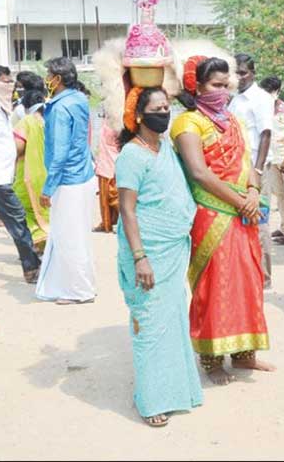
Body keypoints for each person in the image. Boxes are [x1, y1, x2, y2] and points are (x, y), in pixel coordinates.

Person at [171, 56, 274, 385]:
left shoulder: (233, 121)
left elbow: (247, 162)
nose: (223, 90)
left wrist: (254, 191)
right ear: (197, 86)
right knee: (214, 284)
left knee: (247, 281)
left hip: (243, 213)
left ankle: (245, 354)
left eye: (225, 84)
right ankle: (212, 358)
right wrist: (240, 202)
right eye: (215, 85)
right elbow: (199, 172)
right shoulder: (188, 123)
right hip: (211, 214)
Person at [115, 86, 203, 428]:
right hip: (148, 252)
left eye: (168, 107)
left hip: (173, 248)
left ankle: (177, 391)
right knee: (150, 323)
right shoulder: (131, 156)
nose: (165, 113)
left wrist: (179, 92)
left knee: (173, 319)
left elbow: (193, 109)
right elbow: (127, 209)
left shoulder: (166, 146)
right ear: (139, 115)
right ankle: (151, 400)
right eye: (157, 108)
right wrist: (140, 257)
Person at [35, 57, 97, 305]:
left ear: (58, 79)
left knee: (68, 236)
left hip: (68, 181)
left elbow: (59, 153)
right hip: (83, 176)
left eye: (49, 75)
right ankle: (83, 285)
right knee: (78, 234)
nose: (46, 79)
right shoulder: (79, 99)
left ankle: (79, 291)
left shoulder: (60, 108)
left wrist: (48, 188)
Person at [0, 65, 41, 282]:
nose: (10, 85)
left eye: (10, 80)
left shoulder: (1, 107)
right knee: (18, 220)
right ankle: (32, 267)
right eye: (5, 80)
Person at [227, 54, 275, 286]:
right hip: (236, 168)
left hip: (255, 167)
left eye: (243, 72)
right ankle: (246, 270)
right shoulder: (235, 99)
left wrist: (257, 169)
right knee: (241, 219)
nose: (239, 77)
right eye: (235, 73)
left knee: (259, 219)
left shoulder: (260, 98)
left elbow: (266, 134)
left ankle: (264, 276)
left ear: (253, 73)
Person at [13, 90, 50, 252]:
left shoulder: (27, 122)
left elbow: (18, 148)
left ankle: (37, 246)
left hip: (28, 174)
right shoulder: (50, 119)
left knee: (27, 211)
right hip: (49, 174)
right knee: (47, 211)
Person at [260, 76, 284, 244]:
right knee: (279, 194)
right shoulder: (261, 109)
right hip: (270, 158)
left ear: (277, 91)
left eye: (270, 92)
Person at [94, 118, 120, 233]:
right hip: (104, 162)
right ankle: (106, 224)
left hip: (113, 163)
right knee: (104, 196)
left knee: (113, 196)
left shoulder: (119, 120)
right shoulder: (106, 120)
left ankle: (122, 223)